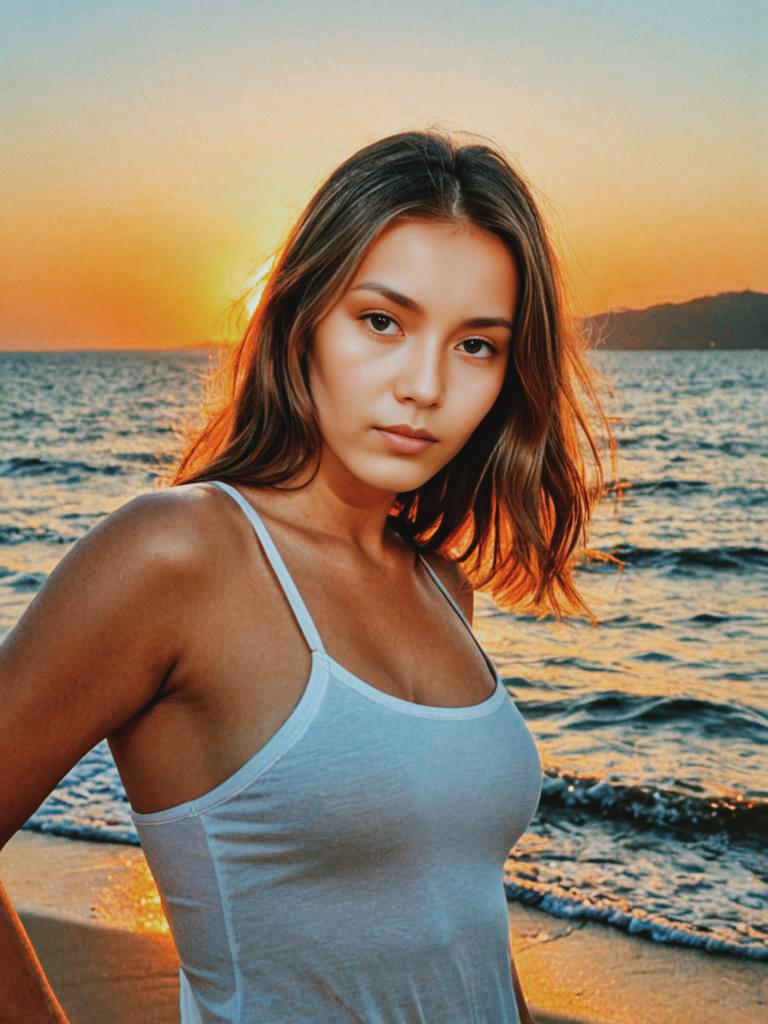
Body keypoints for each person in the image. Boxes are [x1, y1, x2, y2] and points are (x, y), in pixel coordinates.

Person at [0, 128, 611, 1023]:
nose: (425, 385)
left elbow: (454, 919)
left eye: (476, 345)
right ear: (300, 318)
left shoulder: (444, 584)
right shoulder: (177, 555)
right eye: (382, 322)